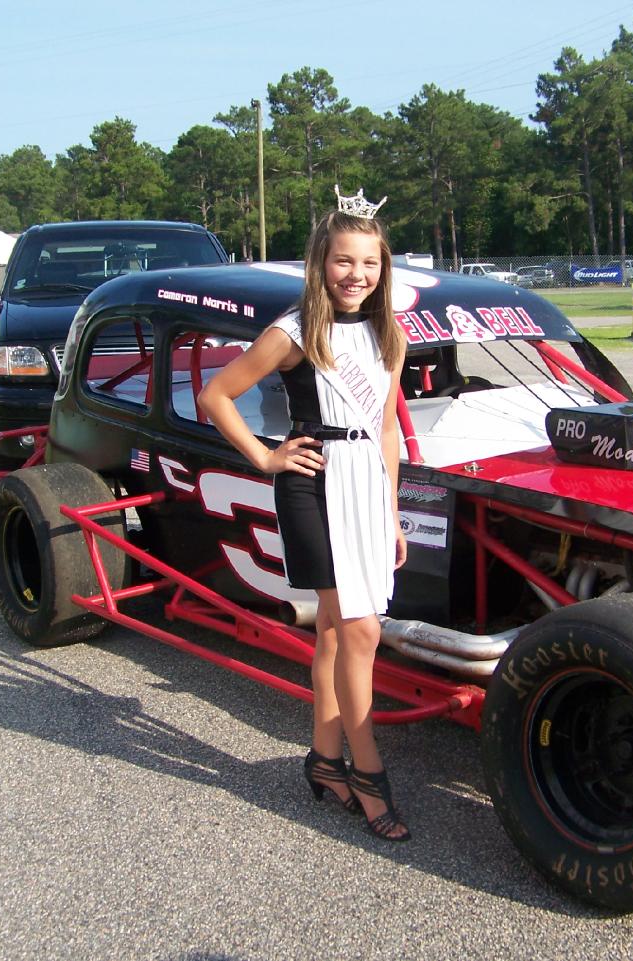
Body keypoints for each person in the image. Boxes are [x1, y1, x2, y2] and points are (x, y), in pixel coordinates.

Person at [198, 204, 410, 842]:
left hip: (366, 487)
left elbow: (387, 431)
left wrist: (391, 512)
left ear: (383, 268)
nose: (356, 274)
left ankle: (323, 759)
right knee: (361, 629)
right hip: (314, 485)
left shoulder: (389, 334)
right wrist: (266, 456)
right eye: (344, 260)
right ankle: (368, 770)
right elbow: (215, 395)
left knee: (336, 634)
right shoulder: (293, 332)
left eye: (369, 262)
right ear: (321, 262)